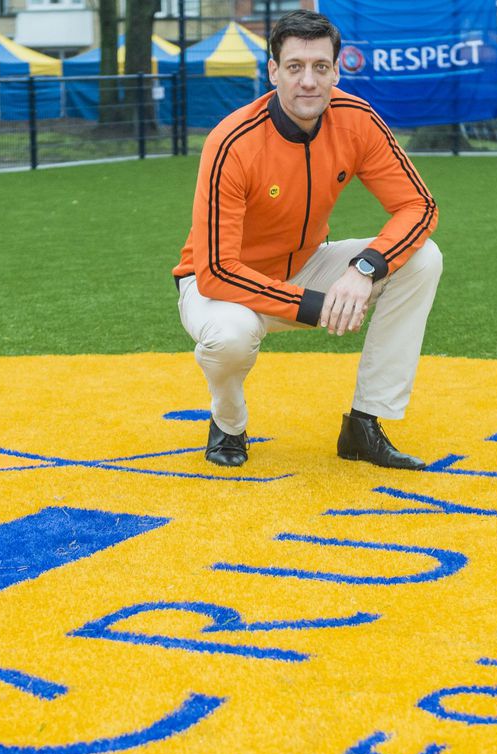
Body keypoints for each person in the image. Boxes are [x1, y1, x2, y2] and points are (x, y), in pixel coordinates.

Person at [172, 9, 442, 470]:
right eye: (295, 67)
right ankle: (229, 425)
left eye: (321, 67)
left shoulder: (357, 119)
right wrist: (316, 307)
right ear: (273, 71)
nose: (309, 81)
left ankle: (364, 424)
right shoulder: (231, 141)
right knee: (229, 339)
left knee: (423, 259)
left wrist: (363, 269)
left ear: (337, 70)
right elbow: (216, 269)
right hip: (218, 286)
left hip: (305, 264)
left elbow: (420, 207)